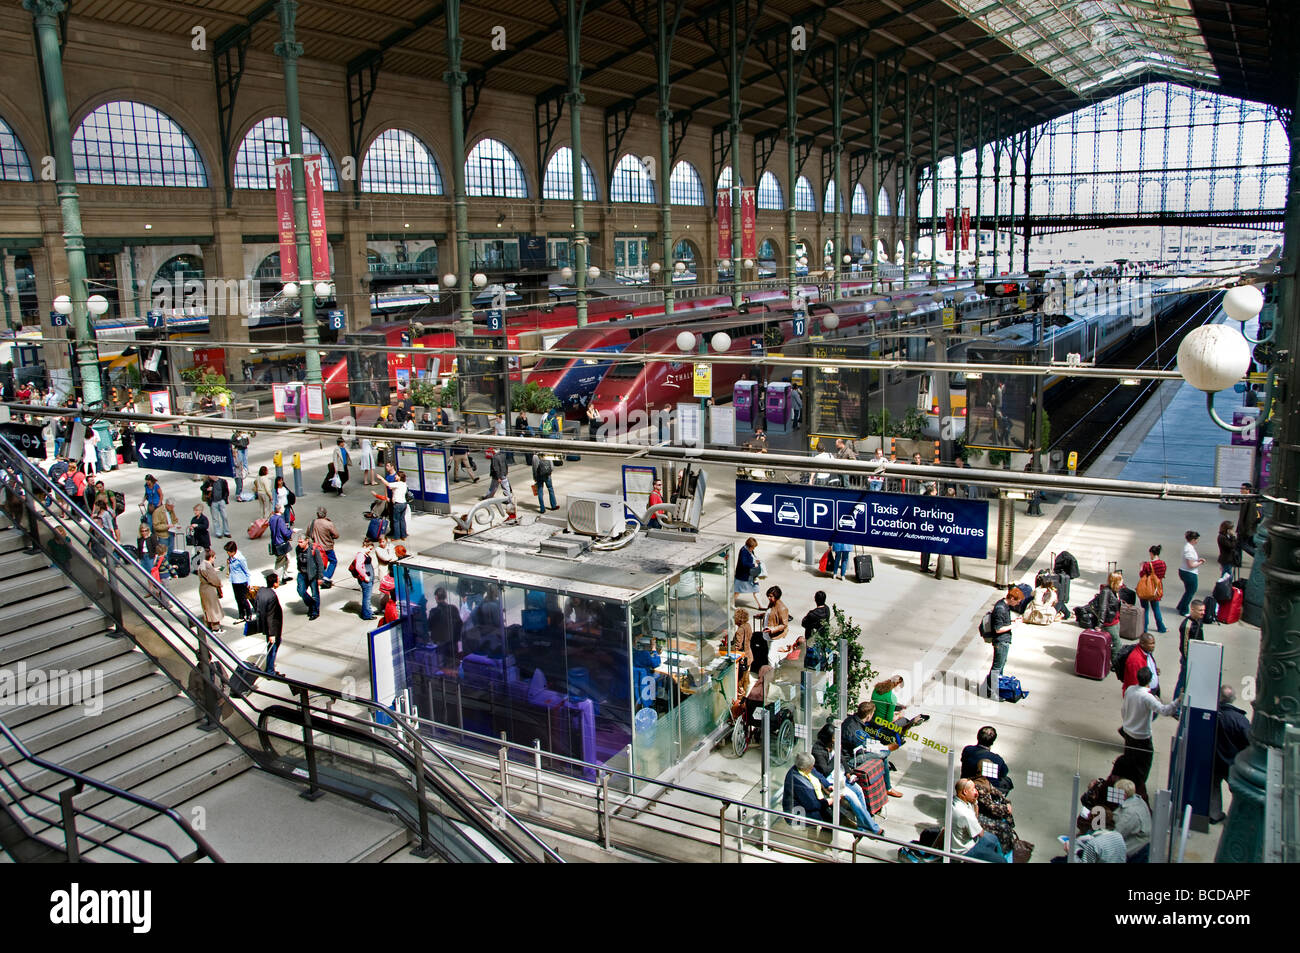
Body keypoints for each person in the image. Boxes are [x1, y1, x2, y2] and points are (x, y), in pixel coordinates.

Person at [1120, 667, 1180, 785]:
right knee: (1142, 767)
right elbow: (1164, 710)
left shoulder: (1130, 690)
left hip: (1128, 733)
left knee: (1129, 764)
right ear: (1150, 680)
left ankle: (1127, 787)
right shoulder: (1147, 697)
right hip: (1142, 738)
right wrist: (1177, 701)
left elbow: (1123, 710)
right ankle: (1138, 790)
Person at [841, 700, 902, 797]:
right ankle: (888, 788)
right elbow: (864, 748)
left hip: (851, 752)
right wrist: (881, 748)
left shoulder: (852, 720)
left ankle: (888, 787)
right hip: (851, 759)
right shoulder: (855, 730)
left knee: (882, 753)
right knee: (883, 754)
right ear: (869, 715)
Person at [1211, 684, 1251, 823]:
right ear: (1233, 699)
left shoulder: (1213, 715)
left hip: (1215, 758)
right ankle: (1236, 817)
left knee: (1214, 787)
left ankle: (1214, 814)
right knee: (1237, 790)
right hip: (1233, 761)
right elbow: (1248, 740)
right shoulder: (1240, 719)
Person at [950, 778, 1007, 862]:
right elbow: (981, 833)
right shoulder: (965, 813)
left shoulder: (957, 802)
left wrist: (975, 803)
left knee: (993, 839)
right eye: (973, 789)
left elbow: (975, 819)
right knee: (1002, 861)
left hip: (964, 842)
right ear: (965, 792)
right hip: (966, 850)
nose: (976, 792)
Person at [985, 585, 1024, 699]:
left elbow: (1002, 622)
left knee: (1000, 665)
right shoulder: (1001, 608)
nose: (1017, 604)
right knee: (997, 667)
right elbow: (998, 629)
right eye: (1017, 602)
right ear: (1012, 598)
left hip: (1004, 641)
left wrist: (1011, 621)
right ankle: (992, 692)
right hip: (1001, 641)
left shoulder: (1003, 605)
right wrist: (1014, 625)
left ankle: (994, 688)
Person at [870, 675, 929, 739]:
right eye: (900, 686)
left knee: (900, 708)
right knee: (906, 717)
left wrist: (897, 707)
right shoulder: (892, 698)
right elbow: (889, 721)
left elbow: (882, 702)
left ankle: (916, 718)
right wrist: (898, 716)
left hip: (873, 717)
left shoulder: (876, 689)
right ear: (897, 684)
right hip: (883, 724)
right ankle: (915, 720)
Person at [960, 725, 1013, 794]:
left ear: (978, 737)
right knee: (1007, 780)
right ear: (992, 742)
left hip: (967, 784)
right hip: (988, 790)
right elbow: (1004, 772)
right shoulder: (997, 759)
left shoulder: (968, 750)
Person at [1111, 778, 1152, 862]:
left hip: (1135, 851)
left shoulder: (1129, 813)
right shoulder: (1138, 800)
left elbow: (1117, 834)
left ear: (1124, 795)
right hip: (1142, 846)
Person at [1173, 600, 1205, 698]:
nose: (1203, 612)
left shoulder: (1199, 620)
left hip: (1196, 656)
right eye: (1200, 610)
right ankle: (1176, 704)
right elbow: (1184, 645)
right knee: (1182, 682)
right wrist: (1189, 659)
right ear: (1192, 610)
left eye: (1203, 610)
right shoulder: (1187, 625)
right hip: (1188, 659)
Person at [256, 572, 285, 676]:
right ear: (274, 583)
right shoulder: (272, 596)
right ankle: (270, 671)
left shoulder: (261, 591)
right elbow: (271, 615)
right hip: (273, 628)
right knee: (273, 647)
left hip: (265, 625)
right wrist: (272, 634)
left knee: (272, 646)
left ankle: (270, 668)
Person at [1137, 545, 1167, 635]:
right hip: (1156, 589)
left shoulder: (1147, 565)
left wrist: (1141, 567)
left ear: (1151, 553)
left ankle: (1144, 628)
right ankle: (1161, 627)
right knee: (1156, 608)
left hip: (1147, 589)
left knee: (1145, 609)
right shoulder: (1162, 564)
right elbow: (1162, 575)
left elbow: (1142, 575)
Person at [427, 587, 463, 660]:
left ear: (436, 597)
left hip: (440, 644)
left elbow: (429, 627)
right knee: (453, 664)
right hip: (452, 643)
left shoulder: (434, 611)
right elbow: (460, 624)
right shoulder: (453, 608)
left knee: (442, 665)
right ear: (446, 596)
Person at [308, 507, 340, 588]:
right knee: (333, 561)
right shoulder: (329, 524)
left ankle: (321, 577)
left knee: (319, 563)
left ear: (317, 514)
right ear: (325, 514)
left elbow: (308, 534)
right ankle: (326, 577)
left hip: (316, 548)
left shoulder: (312, 523)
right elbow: (336, 535)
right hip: (327, 547)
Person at [1122, 632, 1161, 697]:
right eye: (1151, 644)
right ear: (1142, 644)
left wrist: (1154, 669)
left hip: (1152, 689)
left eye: (1154, 643)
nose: (1153, 646)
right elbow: (1135, 682)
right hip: (1145, 694)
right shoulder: (1135, 660)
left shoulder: (1147, 651)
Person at [1176, 529, 1205, 616]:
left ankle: (1181, 606)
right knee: (1191, 591)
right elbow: (1191, 565)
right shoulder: (1189, 549)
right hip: (1189, 573)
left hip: (1184, 571)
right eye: (1196, 540)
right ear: (1193, 540)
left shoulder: (1187, 547)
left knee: (1188, 591)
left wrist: (1197, 560)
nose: (1197, 541)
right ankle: (1184, 610)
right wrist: (1200, 562)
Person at [295, 534, 323, 620]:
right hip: (302, 573)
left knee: (315, 594)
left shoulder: (314, 550)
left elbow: (320, 564)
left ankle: (315, 612)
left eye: (301, 542)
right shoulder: (298, 549)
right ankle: (311, 604)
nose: (299, 544)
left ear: (307, 541)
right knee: (301, 591)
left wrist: (319, 577)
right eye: (298, 542)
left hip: (312, 575)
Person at [727, 607, 753, 697]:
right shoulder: (748, 626)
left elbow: (738, 646)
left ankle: (741, 700)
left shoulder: (740, 630)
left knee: (740, 682)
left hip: (742, 658)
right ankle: (746, 695)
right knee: (746, 679)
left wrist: (728, 647)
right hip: (749, 655)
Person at [197, 549, 224, 631]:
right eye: (214, 558)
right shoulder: (208, 566)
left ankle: (208, 625)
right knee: (213, 608)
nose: (214, 559)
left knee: (207, 608)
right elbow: (213, 579)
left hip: (203, 588)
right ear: (210, 557)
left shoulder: (202, 564)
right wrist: (219, 584)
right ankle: (216, 628)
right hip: (209, 589)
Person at [225, 540, 252, 622]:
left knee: (243, 599)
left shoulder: (240, 559)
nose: (227, 553)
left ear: (233, 551)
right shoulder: (230, 558)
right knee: (237, 599)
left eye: (228, 552)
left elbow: (247, 571)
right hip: (234, 580)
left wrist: (249, 582)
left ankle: (249, 613)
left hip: (241, 581)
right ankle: (241, 614)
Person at [734, 537, 763, 610]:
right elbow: (744, 563)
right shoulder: (743, 551)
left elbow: (751, 559)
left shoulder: (749, 550)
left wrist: (756, 561)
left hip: (750, 575)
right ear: (749, 546)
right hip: (743, 576)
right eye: (753, 547)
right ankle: (731, 603)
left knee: (756, 589)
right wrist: (753, 565)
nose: (753, 549)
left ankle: (761, 605)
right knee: (737, 591)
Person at [917, 484, 941, 571]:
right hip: (928, 526)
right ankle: (924, 567)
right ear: (931, 493)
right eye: (935, 491)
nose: (937, 492)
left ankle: (924, 564)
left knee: (924, 547)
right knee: (926, 547)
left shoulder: (923, 499)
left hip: (923, 525)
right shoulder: (931, 501)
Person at [761, 586, 791, 656]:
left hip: (776, 637)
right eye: (768, 596)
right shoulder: (772, 604)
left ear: (776, 596)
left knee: (771, 656)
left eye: (770, 596)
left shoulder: (782, 608)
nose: (769, 598)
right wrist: (762, 615)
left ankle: (772, 667)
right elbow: (771, 614)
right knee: (772, 654)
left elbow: (784, 624)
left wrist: (772, 629)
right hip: (768, 635)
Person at [351, 540, 376, 620]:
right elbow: (358, 567)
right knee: (367, 597)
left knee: (368, 597)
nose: (370, 551)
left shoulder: (364, 554)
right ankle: (366, 614)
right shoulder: (361, 555)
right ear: (365, 546)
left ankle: (368, 611)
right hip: (366, 580)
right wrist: (365, 576)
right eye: (369, 549)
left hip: (369, 578)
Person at [268, 505, 293, 581]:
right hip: (281, 543)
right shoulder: (280, 519)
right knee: (280, 562)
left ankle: (284, 576)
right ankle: (276, 579)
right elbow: (285, 533)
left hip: (275, 542)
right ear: (280, 510)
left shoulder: (272, 518)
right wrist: (292, 531)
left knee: (287, 559)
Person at [202, 473, 230, 539]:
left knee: (225, 517)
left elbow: (226, 491)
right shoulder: (208, 482)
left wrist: (224, 499)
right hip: (213, 502)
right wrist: (207, 489)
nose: (211, 476)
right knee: (215, 518)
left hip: (221, 501)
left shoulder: (222, 481)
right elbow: (202, 488)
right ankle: (218, 533)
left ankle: (226, 532)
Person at [1237, 482, 1259, 555]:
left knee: (1243, 545)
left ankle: (1256, 555)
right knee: (1238, 545)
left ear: (1248, 490)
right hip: (1242, 529)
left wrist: (1246, 530)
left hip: (1244, 529)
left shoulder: (1250, 501)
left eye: (1242, 489)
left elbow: (1250, 518)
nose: (1241, 490)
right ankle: (1237, 561)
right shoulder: (1246, 500)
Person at [390, 470, 411, 540]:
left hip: (397, 504)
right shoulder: (404, 484)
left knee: (396, 520)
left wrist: (381, 478)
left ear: (399, 477)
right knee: (402, 520)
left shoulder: (397, 484)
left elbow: (388, 484)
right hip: (404, 503)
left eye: (397, 475)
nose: (395, 476)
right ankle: (403, 535)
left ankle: (397, 536)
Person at [188, 503, 211, 568]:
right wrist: (191, 528)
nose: (195, 512)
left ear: (201, 511)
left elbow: (206, 526)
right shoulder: (194, 519)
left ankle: (209, 566)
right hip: (197, 539)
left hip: (204, 539)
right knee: (198, 553)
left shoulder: (204, 518)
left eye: (197, 510)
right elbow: (192, 526)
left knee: (206, 553)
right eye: (194, 510)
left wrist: (197, 525)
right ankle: (199, 567)